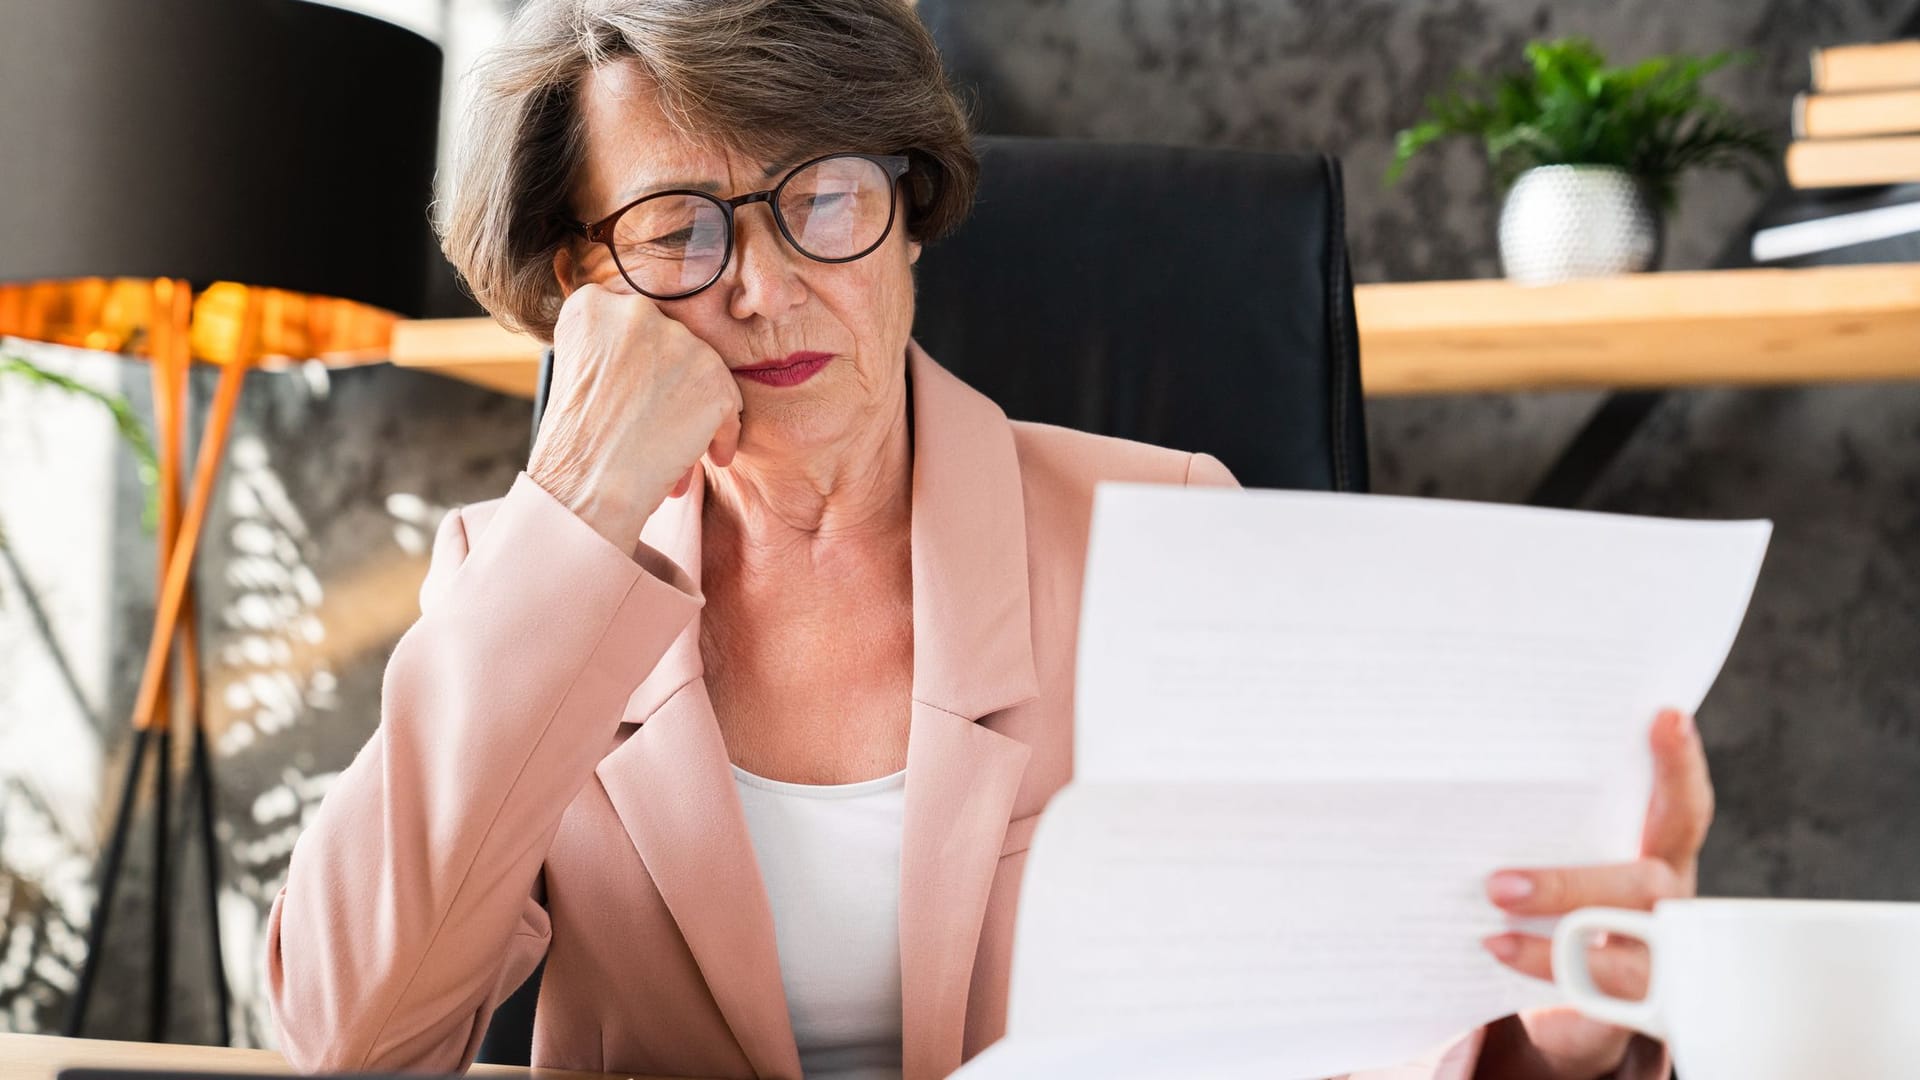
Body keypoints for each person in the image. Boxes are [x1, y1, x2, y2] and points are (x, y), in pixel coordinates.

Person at [266, 2, 1710, 1078]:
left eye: (822, 195)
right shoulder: (515, 584)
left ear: (907, 211)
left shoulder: (1170, 531)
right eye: (678, 230)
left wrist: (1553, 1029)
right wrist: (577, 503)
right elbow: (355, 1035)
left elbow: (1341, 1017)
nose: (764, 289)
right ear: (590, 279)